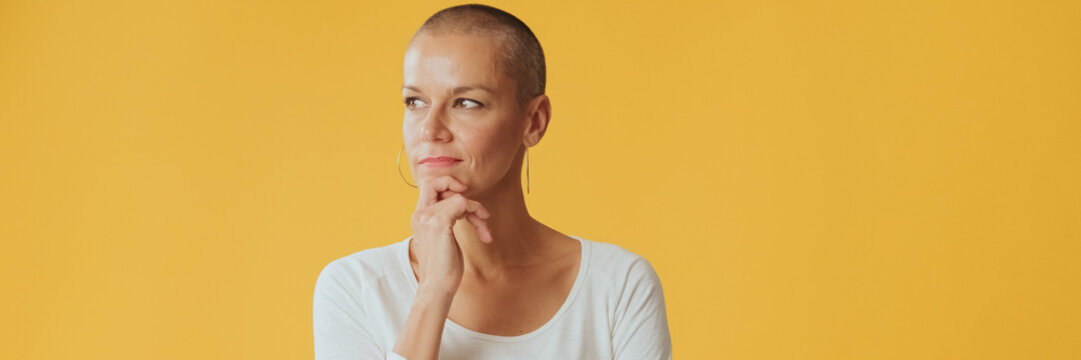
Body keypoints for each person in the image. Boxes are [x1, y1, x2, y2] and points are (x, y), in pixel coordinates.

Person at [313, 4, 672, 359]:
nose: (429, 129)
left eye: (466, 103)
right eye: (415, 101)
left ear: (534, 122)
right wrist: (433, 293)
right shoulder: (354, 288)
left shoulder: (618, 285)